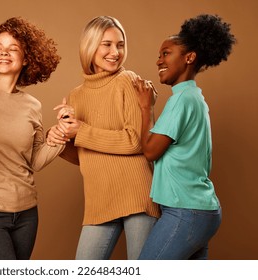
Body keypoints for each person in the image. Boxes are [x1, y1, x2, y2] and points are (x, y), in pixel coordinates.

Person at [47, 16, 160, 260]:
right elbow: (84, 157)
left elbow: (135, 141)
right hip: (99, 200)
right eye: (106, 44)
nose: (115, 52)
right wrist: (59, 140)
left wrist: (81, 131)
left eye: (120, 45)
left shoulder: (128, 81)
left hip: (136, 194)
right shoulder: (76, 95)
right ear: (90, 46)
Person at [133, 14, 236, 260]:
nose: (159, 60)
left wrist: (146, 107)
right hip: (201, 212)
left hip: (185, 212)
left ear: (189, 58)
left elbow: (150, 151)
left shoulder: (181, 100)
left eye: (166, 53)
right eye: (159, 55)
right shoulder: (194, 98)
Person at [0, 17, 64, 260]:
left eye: (12, 48)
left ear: (27, 58)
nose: (3, 53)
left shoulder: (32, 106)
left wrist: (61, 135)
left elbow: (36, 161)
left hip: (27, 214)